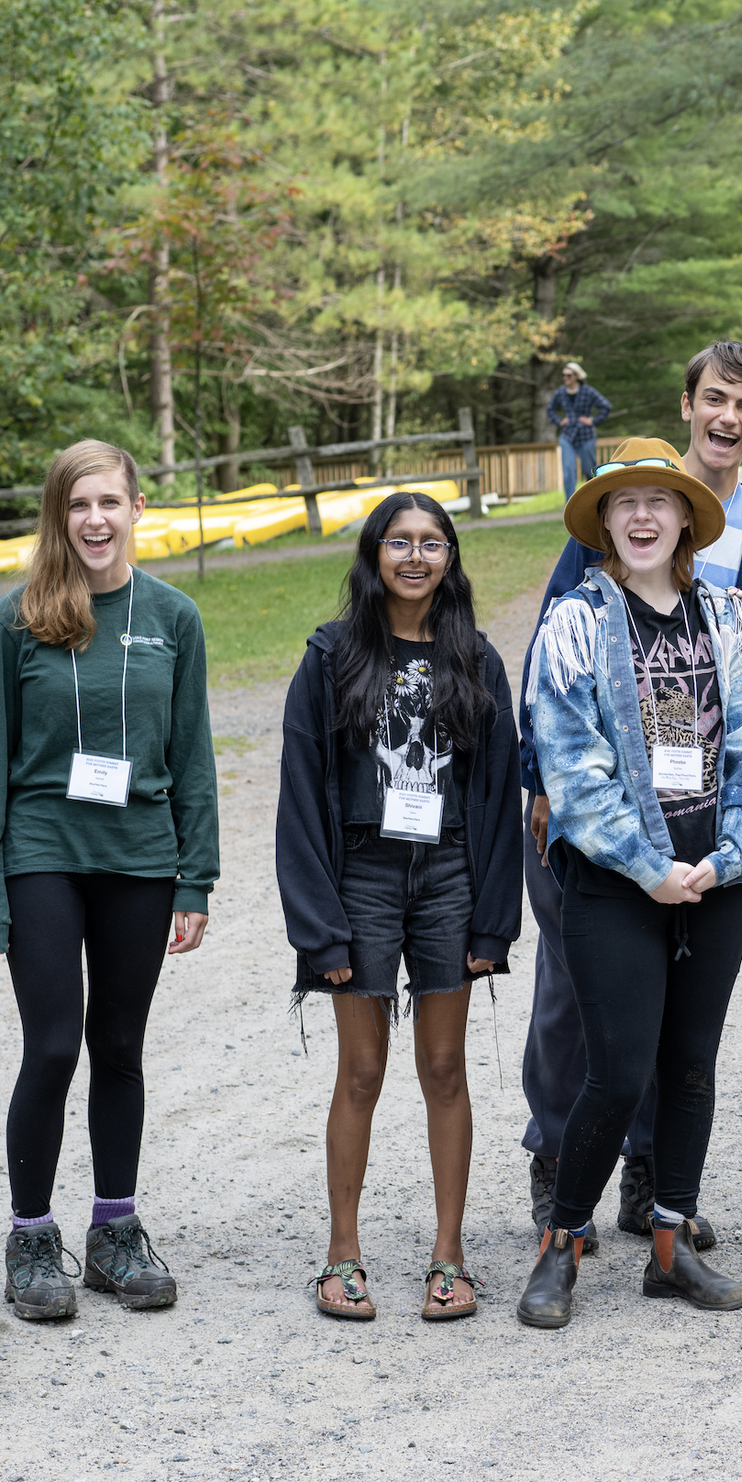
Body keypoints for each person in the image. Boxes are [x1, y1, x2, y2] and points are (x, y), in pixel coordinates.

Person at [517, 343, 742, 1244]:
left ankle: (651, 1187)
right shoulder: (609, 529)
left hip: (704, 836)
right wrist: (548, 789)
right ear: (688, 402)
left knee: (681, 1034)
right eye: (715, 397)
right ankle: (561, 1169)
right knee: (579, 998)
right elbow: (552, 685)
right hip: (597, 825)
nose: (728, 416)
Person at [0, 440, 219, 1322]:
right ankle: (31, 1238)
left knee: (119, 1047)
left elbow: (193, 758)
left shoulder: (174, 619)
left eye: (110, 502)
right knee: (52, 1047)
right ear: (58, 517)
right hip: (43, 852)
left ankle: (115, 1232)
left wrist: (196, 879)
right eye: (79, 506)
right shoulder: (16, 622)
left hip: (140, 858)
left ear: (137, 508)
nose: (95, 521)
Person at [276, 493, 523, 1321]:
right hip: (363, 879)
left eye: (432, 543)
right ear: (373, 554)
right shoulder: (331, 658)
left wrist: (494, 919)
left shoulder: (477, 662)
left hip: (449, 874)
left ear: (451, 558)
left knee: (445, 1071)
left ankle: (447, 1258)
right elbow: (301, 798)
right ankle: (342, 1256)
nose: (414, 557)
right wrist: (320, 927)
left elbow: (493, 797)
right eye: (398, 542)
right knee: (362, 1070)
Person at [547, 362, 608, 492]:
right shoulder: (561, 392)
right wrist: (559, 421)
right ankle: (569, 505)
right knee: (568, 471)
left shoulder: (588, 391)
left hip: (586, 436)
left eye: (568, 375)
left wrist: (593, 420)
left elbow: (606, 406)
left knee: (590, 471)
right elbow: (550, 409)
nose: (565, 378)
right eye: (563, 375)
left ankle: (593, 500)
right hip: (567, 436)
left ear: (576, 376)